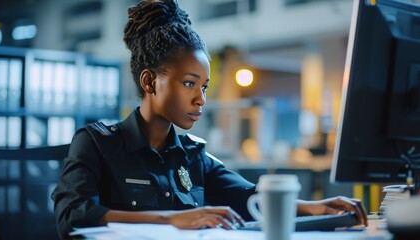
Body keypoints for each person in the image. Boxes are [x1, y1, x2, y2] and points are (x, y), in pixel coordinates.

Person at [52, 0, 368, 238]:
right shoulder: (97, 142)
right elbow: (74, 216)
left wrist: (313, 207)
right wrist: (170, 219)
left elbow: (248, 197)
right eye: (189, 83)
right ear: (150, 82)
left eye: (203, 86)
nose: (201, 98)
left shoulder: (192, 154)